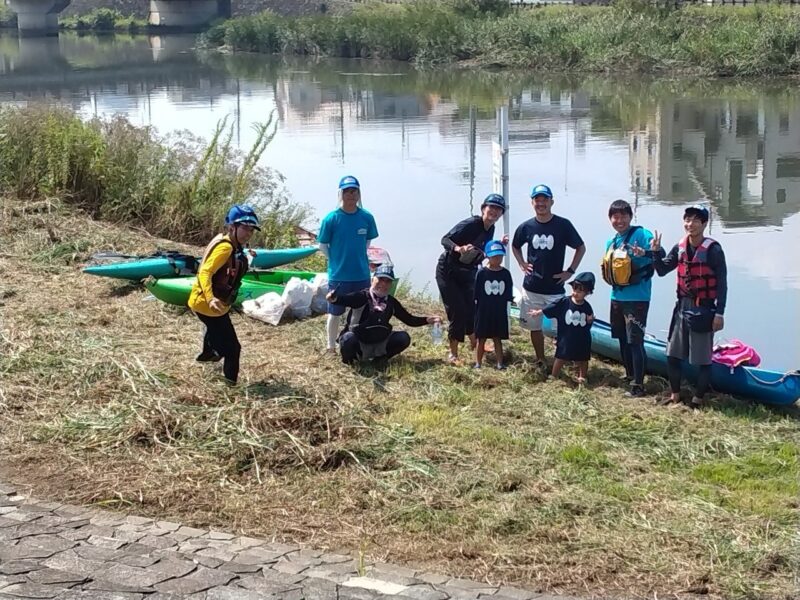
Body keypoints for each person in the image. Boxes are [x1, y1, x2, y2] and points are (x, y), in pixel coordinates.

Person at [649, 204, 727, 408]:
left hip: (704, 308)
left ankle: (697, 399)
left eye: (694, 220)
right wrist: (655, 252)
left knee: (702, 359)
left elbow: (722, 283)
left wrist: (719, 313)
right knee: (672, 355)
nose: (689, 224)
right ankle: (675, 395)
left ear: (704, 223)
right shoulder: (681, 247)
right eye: (687, 219)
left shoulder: (714, 250)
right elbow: (662, 270)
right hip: (682, 306)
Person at [512, 184, 586, 371]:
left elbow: (581, 247)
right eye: (537, 200)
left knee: (562, 327)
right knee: (534, 327)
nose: (541, 203)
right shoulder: (526, 226)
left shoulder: (563, 225)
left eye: (545, 199)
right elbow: (515, 245)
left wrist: (570, 271)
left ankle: (563, 358)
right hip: (532, 286)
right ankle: (540, 358)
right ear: (532, 203)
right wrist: (521, 263)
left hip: (555, 287)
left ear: (552, 201)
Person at [188, 204, 260, 385]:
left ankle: (209, 350)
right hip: (209, 306)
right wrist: (211, 298)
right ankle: (230, 387)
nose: (248, 233)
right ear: (231, 227)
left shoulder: (228, 243)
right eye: (244, 228)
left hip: (211, 305)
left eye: (251, 229)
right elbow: (205, 272)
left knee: (218, 333)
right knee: (233, 349)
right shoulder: (225, 248)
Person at [436, 193, 506, 365]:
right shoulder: (471, 224)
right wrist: (458, 248)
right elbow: (445, 239)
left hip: (468, 271)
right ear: (483, 208)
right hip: (448, 270)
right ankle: (453, 354)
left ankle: (475, 343)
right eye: (491, 207)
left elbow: (483, 250)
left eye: (498, 209)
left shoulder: (491, 229)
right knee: (457, 310)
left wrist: (499, 245)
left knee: (471, 309)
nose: (494, 212)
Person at [326, 265, 440, 365]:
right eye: (380, 279)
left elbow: (409, 319)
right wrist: (334, 298)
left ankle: (380, 359)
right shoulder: (362, 296)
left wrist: (427, 320)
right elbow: (345, 299)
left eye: (388, 281)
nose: (383, 284)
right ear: (372, 280)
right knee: (347, 339)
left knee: (403, 338)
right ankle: (352, 362)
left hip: (379, 341)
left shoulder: (391, 302)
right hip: (359, 340)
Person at [317, 175, 379, 353]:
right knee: (335, 312)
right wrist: (335, 260)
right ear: (340, 194)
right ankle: (330, 346)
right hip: (339, 275)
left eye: (354, 191)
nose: (351, 195)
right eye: (347, 191)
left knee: (359, 310)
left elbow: (367, 242)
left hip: (361, 274)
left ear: (359, 194)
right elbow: (322, 245)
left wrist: (359, 257)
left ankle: (350, 340)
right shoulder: (331, 218)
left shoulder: (366, 217)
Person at [601, 199, 655, 398]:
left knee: (635, 341)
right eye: (615, 216)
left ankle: (639, 385)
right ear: (610, 219)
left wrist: (649, 251)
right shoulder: (611, 241)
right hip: (617, 297)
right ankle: (630, 374)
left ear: (630, 217)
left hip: (638, 299)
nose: (619, 220)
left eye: (623, 216)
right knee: (622, 339)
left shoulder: (641, 235)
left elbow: (659, 254)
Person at [528, 272, 595, 382]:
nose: (575, 293)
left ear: (587, 293)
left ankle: (582, 377)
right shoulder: (564, 302)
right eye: (574, 289)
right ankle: (554, 376)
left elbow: (588, 322)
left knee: (583, 358)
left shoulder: (587, 307)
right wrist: (539, 312)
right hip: (566, 337)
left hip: (581, 338)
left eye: (579, 291)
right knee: (560, 357)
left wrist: (590, 321)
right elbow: (552, 307)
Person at [473, 240, 514, 370]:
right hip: (484, 311)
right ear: (488, 256)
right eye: (494, 256)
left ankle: (500, 363)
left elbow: (508, 293)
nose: (497, 259)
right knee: (481, 338)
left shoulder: (505, 274)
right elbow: (476, 293)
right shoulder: (481, 273)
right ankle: (478, 363)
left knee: (497, 338)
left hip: (499, 311)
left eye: (500, 256)